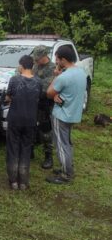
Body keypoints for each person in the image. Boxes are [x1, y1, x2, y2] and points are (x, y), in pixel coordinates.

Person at [46, 45, 87, 185]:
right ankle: (67, 167)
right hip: (73, 114)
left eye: (57, 59)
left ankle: (66, 175)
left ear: (63, 60)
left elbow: (49, 92)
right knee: (67, 143)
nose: (56, 61)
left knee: (61, 145)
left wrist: (56, 76)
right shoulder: (81, 72)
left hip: (61, 115)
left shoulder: (64, 76)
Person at [6, 55, 42, 190]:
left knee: (13, 149)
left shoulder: (14, 80)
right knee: (26, 149)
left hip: (15, 119)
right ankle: (23, 181)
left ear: (21, 66)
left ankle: (13, 181)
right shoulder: (38, 81)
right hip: (30, 120)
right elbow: (39, 98)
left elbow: (8, 97)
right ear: (32, 66)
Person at [32, 45, 56, 169]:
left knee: (46, 131)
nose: (36, 61)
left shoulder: (53, 68)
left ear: (44, 56)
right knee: (31, 126)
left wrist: (33, 82)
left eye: (38, 58)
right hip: (33, 102)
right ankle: (30, 150)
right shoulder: (35, 66)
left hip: (45, 104)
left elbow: (47, 87)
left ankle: (48, 156)